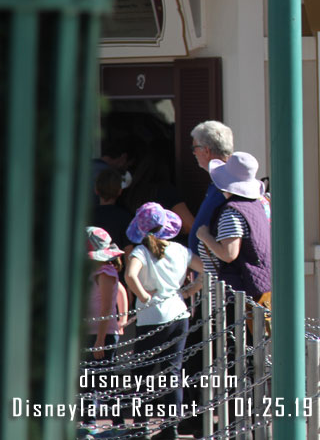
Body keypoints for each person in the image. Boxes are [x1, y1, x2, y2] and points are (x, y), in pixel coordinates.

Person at [124, 203, 204, 440]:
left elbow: (130, 275)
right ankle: (171, 429)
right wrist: (190, 291)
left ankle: (140, 427)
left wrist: (143, 295)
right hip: (179, 314)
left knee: (142, 373)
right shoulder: (180, 250)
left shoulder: (141, 251)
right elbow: (207, 270)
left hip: (151, 317)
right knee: (173, 372)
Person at [195, 152, 273, 302]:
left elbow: (229, 254)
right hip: (258, 289)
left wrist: (204, 236)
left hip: (234, 298)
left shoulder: (232, 212)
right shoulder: (259, 205)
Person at [83, 227, 129, 430]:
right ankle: (88, 422)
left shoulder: (106, 271)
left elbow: (106, 307)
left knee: (105, 381)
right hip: (87, 332)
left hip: (101, 334)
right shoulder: (94, 271)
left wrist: (101, 339)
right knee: (87, 381)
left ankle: (117, 422)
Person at [188, 120, 234, 255]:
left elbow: (230, 250)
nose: (194, 153)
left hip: (221, 272)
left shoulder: (229, 185)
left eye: (194, 148)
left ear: (206, 150)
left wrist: (204, 237)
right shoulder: (220, 181)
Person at [91, 167, 133, 250]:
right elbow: (128, 250)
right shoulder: (125, 217)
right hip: (115, 262)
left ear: (96, 190)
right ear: (120, 191)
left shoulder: (86, 215)